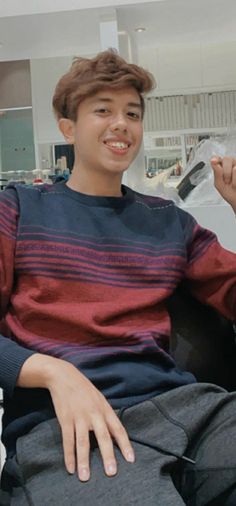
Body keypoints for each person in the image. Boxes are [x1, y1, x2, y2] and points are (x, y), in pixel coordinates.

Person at [0, 50, 236, 506]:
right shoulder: (19, 210)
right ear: (68, 127)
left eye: (132, 113)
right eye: (102, 110)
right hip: (66, 425)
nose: (121, 124)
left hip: (187, 408)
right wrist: (52, 372)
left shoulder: (168, 221)